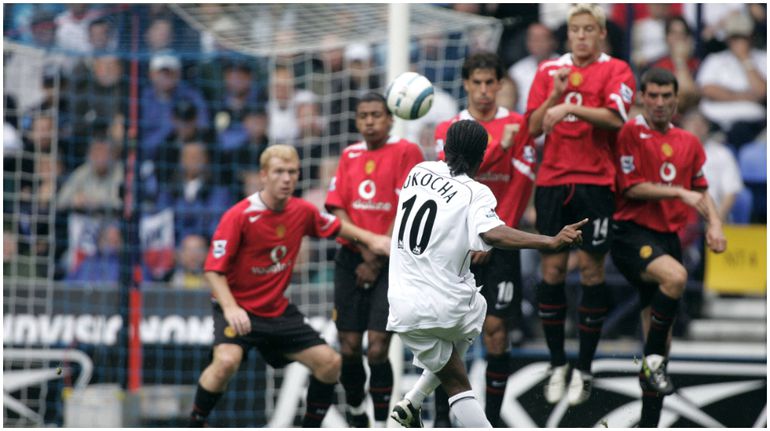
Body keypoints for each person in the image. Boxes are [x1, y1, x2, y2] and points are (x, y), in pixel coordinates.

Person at [388, 120, 586, 428]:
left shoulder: (417, 171)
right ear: (481, 157)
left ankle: (412, 402)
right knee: (458, 380)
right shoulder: (476, 192)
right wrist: (550, 240)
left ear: (444, 148)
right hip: (439, 307)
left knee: (473, 308)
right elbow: (493, 234)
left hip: (401, 302)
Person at [189, 144, 392, 427]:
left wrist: (372, 240)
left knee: (331, 364)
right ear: (263, 175)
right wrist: (231, 307)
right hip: (238, 310)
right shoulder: (240, 215)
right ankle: (194, 423)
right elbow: (212, 270)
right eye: (279, 172)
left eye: (292, 172)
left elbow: (337, 227)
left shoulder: (302, 211)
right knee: (225, 361)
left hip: (276, 312)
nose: (286, 179)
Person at [526, 3, 636, 406]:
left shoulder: (616, 70)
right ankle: (558, 364)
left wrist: (570, 105)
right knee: (551, 269)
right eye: (576, 30)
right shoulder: (546, 72)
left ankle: (585, 369)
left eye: (590, 29)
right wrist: (555, 94)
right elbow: (533, 128)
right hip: (553, 182)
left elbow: (615, 117)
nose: (583, 36)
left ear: (601, 33)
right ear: (567, 34)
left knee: (591, 272)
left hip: (595, 182)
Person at [610, 68, 726, 427]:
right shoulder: (630, 131)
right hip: (630, 233)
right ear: (643, 97)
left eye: (666, 96)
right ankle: (650, 363)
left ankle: (649, 423)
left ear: (676, 99)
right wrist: (678, 191)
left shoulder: (689, 142)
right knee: (676, 277)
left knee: (661, 344)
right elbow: (631, 187)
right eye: (653, 96)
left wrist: (716, 224)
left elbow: (701, 189)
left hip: (666, 238)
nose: (660, 103)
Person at [432, 52, 536, 427]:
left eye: (490, 82)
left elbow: (521, 185)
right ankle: (444, 422)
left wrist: (490, 236)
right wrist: (500, 147)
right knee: (449, 337)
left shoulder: (517, 124)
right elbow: (449, 181)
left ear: (500, 84)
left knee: (496, 333)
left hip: (499, 240)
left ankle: (490, 421)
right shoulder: (450, 127)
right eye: (476, 82)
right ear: (465, 85)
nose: (483, 90)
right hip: (457, 247)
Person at [324, 92, 423, 427]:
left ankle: (381, 423)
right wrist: (367, 249)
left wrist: (378, 258)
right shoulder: (349, 154)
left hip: (392, 263)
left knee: (377, 347)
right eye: (363, 115)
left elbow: (407, 207)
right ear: (356, 120)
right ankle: (355, 408)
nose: (369, 121)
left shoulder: (407, 152)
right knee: (349, 346)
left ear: (391, 118)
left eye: (376, 115)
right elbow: (337, 206)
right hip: (352, 256)